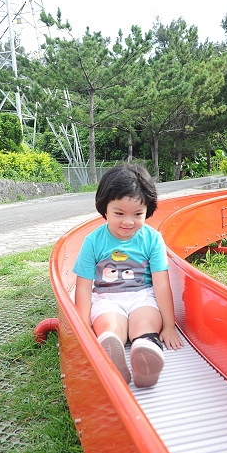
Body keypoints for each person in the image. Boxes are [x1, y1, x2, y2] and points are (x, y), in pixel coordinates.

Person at [73, 162, 183, 389]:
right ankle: (112, 357)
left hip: (143, 296)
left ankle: (146, 352)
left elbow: (161, 285)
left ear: (148, 211)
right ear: (105, 209)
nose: (128, 222)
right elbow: (83, 286)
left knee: (144, 323)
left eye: (137, 214)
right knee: (110, 327)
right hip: (107, 299)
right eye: (119, 213)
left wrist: (169, 325)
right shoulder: (93, 241)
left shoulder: (152, 239)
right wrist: (83, 328)